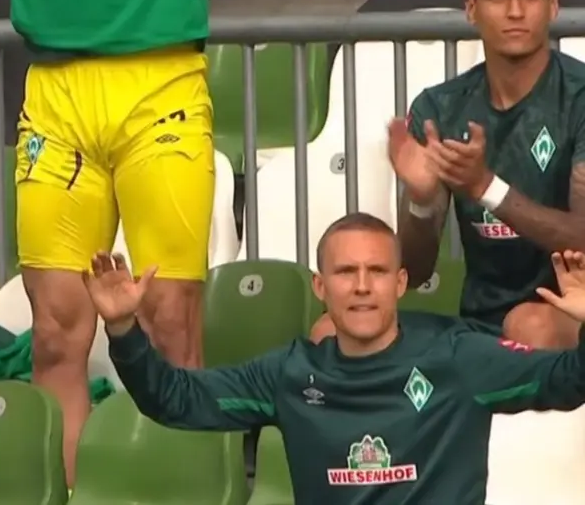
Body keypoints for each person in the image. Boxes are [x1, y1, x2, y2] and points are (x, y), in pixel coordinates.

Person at [93, 212, 585, 504]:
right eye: (346, 272)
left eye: (377, 271)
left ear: (399, 283)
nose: (363, 286)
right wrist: (121, 327)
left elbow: (568, 380)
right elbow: (174, 400)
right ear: (320, 286)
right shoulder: (289, 373)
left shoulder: (457, 357)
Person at [0, 0, 215, 480]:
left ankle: (183, 491)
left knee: (170, 324)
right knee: (53, 333)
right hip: (55, 90)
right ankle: (66, 494)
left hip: (162, 81)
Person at [313, 0, 585, 349]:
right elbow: (416, 271)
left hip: (567, 312)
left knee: (530, 326)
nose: (514, 11)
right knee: (329, 333)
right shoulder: (440, 108)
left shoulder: (579, 97)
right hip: (477, 324)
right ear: (472, 10)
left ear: (553, 6)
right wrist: (422, 202)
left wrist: (487, 188)